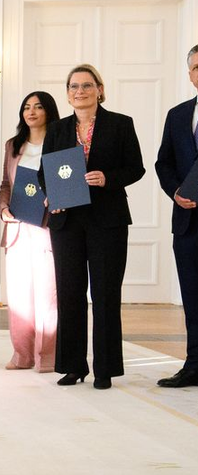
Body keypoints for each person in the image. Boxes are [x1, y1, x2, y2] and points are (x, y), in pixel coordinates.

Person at [44, 63, 144, 390]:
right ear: (68, 92)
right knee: (70, 295)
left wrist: (108, 178)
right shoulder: (57, 129)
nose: (80, 92)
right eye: (74, 86)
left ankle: (105, 369)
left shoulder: (120, 124)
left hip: (107, 219)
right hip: (67, 221)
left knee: (104, 295)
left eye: (87, 86)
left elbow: (136, 168)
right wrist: (50, 196)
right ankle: (73, 366)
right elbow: (47, 173)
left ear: (99, 89)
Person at [0, 90, 60, 372]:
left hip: (47, 228)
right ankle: (21, 354)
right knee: (20, 296)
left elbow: (66, 182)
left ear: (49, 111)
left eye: (38, 107)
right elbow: (5, 186)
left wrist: (55, 197)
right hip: (18, 228)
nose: (31, 111)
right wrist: (3, 209)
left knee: (47, 296)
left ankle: (47, 356)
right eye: (26, 107)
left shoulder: (59, 142)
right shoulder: (13, 145)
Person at [154, 44, 198, 389]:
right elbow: (163, 163)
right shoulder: (178, 114)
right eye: (196, 67)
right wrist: (176, 193)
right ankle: (194, 365)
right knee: (192, 298)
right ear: (190, 74)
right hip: (186, 222)